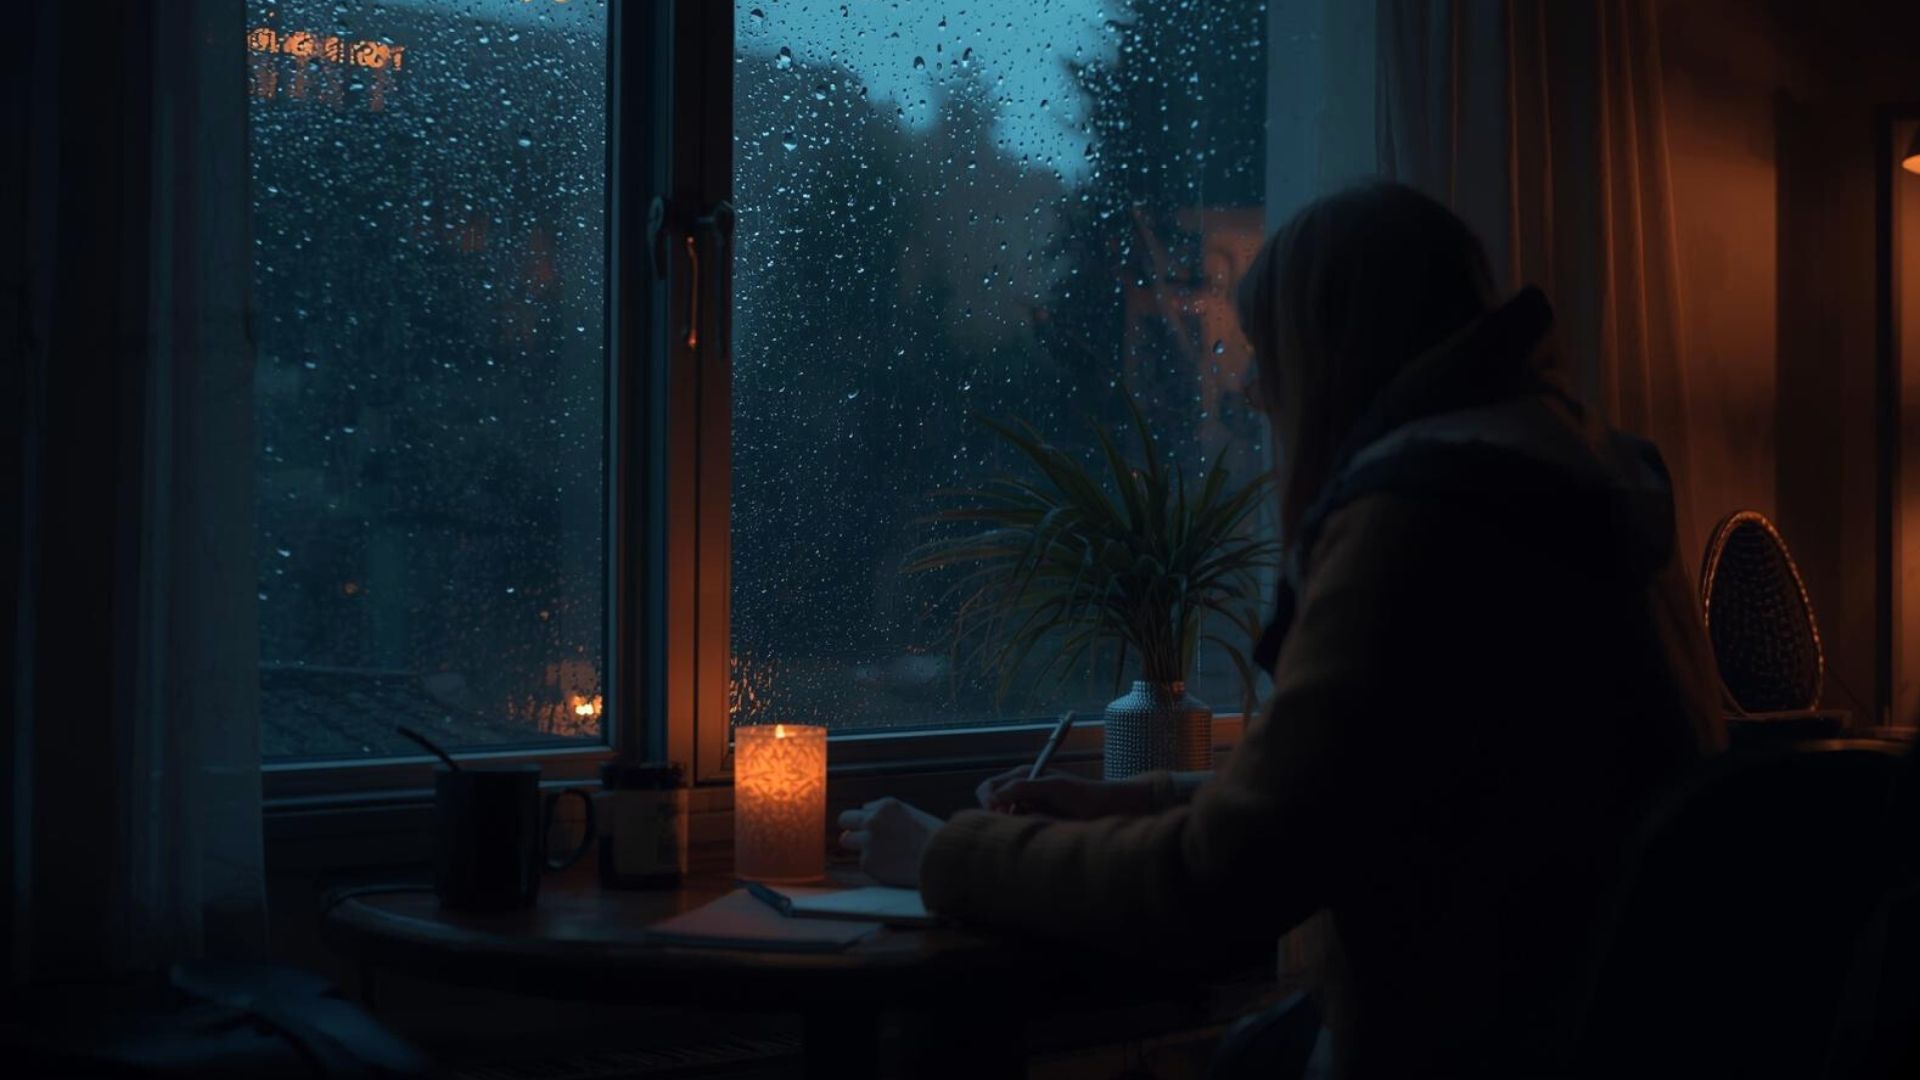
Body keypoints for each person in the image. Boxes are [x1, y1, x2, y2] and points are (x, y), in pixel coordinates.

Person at [837, 181, 1723, 1079]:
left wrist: (947, 852)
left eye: (1269, 355)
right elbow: (1383, 787)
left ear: (1332, 357)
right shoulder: (1573, 473)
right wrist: (1144, 798)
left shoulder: (1420, 522)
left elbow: (1217, 887)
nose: (1254, 390)